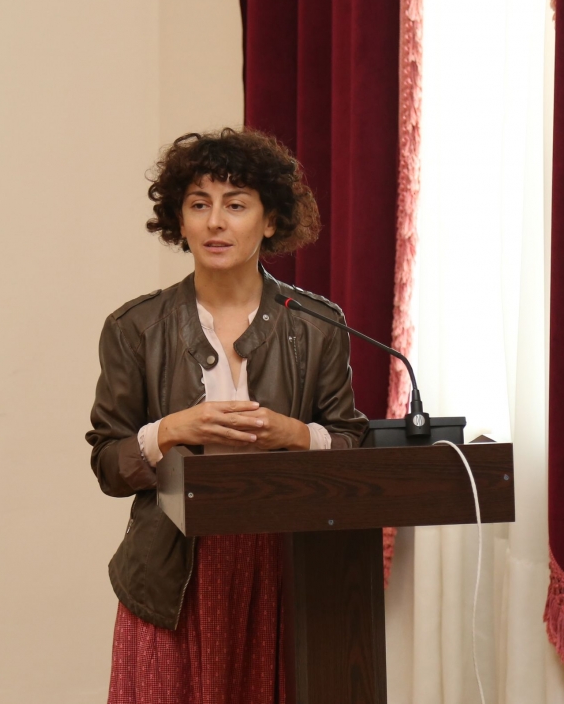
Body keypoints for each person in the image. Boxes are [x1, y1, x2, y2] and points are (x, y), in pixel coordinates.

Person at [86, 128, 369, 704]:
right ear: (180, 220)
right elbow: (110, 466)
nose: (215, 222)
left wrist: (294, 434)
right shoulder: (134, 327)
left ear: (270, 220)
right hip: (171, 574)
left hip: (287, 567)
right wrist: (171, 430)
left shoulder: (318, 324)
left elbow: (351, 445)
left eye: (236, 205)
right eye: (199, 205)